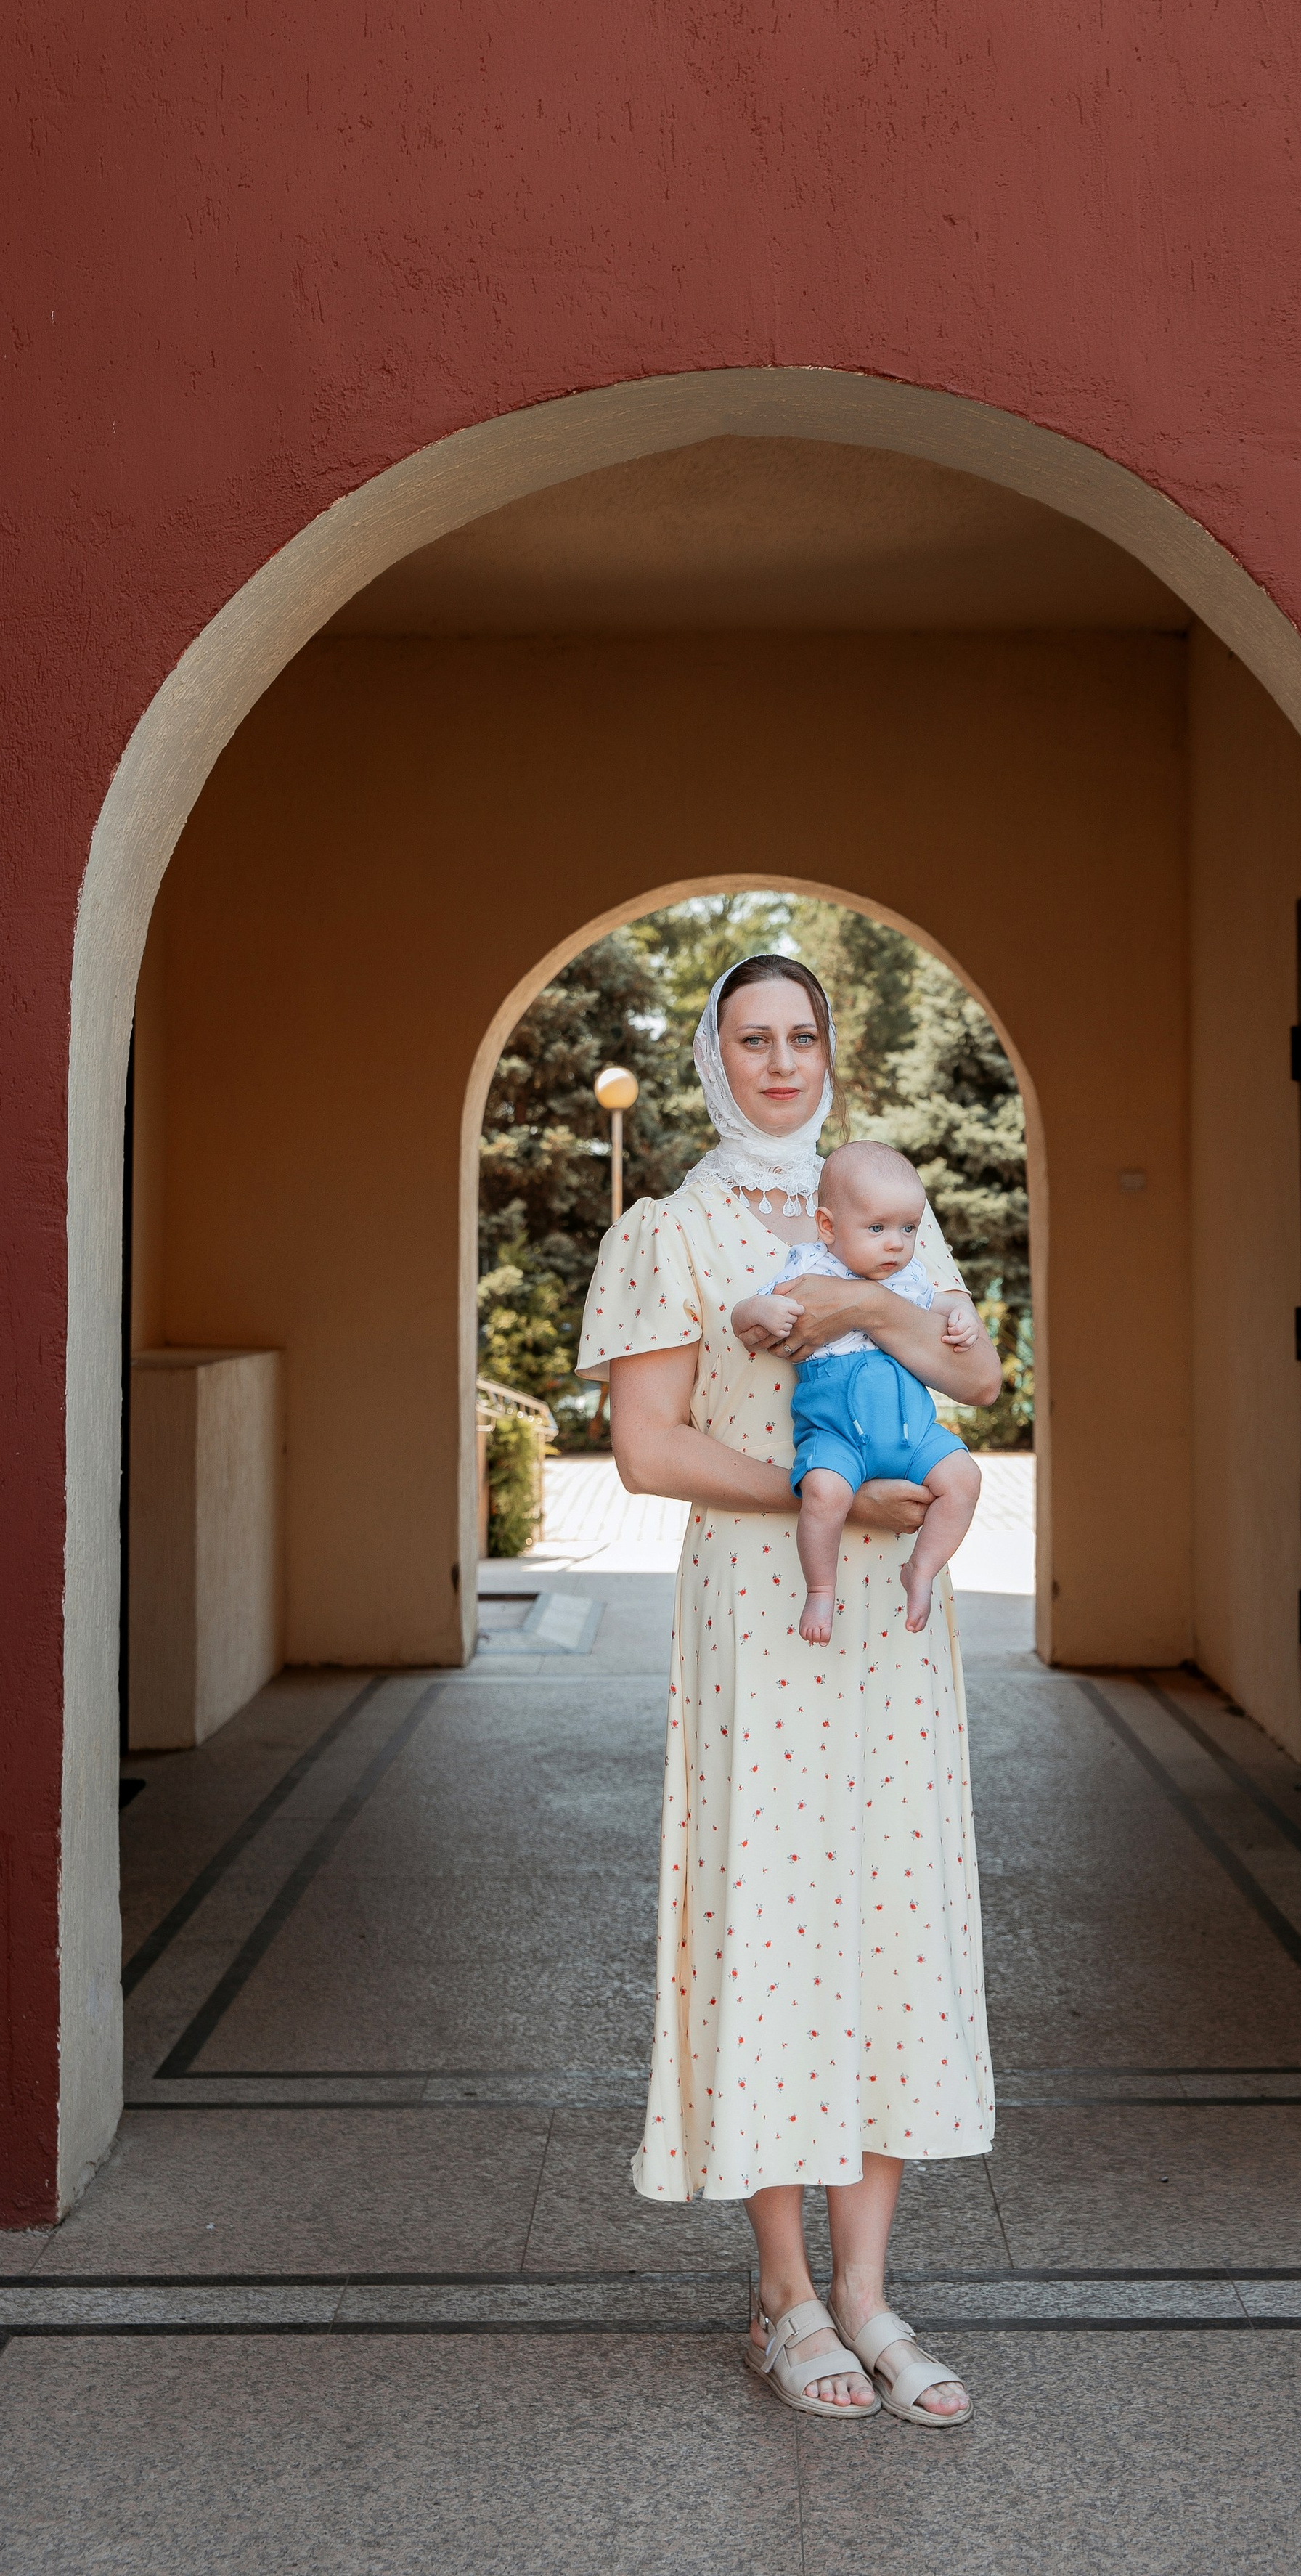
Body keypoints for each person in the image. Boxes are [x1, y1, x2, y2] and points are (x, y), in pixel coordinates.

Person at [579, 954, 1002, 2427]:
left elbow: (980, 1380)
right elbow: (647, 1448)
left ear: (830, 1049)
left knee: (884, 1922)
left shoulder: (882, 1204)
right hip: (765, 1612)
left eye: (801, 1035)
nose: (779, 1061)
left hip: (896, 1628)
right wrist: (825, 1499)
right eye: (750, 1038)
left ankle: (871, 2298)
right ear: (714, 1056)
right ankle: (786, 2295)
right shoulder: (670, 1228)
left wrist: (852, 1298)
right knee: (770, 1929)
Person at [732, 1138, 983, 1643]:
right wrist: (762, 1311)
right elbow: (744, 1316)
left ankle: (922, 1569)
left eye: (908, 1229)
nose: (896, 1244)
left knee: (965, 1478)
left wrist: (962, 1315)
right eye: (877, 1228)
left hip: (912, 1434)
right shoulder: (808, 1269)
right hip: (837, 1436)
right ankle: (821, 1589)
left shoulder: (910, 1277)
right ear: (828, 1227)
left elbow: (938, 1306)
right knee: (824, 1492)